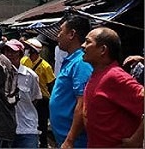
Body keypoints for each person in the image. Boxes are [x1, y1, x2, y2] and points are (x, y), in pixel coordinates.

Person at [81, 27, 144, 148]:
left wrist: (136, 139)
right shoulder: (97, 74)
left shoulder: (115, 76)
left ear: (103, 49)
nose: (83, 46)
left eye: (88, 42)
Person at [49, 16, 93, 149]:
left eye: (60, 32)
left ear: (72, 34)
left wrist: (70, 139)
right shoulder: (71, 60)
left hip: (76, 142)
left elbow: (83, 103)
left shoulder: (81, 62)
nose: (58, 36)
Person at [3, 39, 42, 148]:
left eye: (13, 52)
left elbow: (35, 99)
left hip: (27, 128)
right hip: (6, 128)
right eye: (7, 51)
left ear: (20, 54)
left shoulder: (30, 76)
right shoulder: (1, 74)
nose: (9, 55)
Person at [21, 37, 56, 148]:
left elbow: (51, 84)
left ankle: (43, 143)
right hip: (27, 96)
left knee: (42, 122)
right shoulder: (24, 61)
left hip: (42, 98)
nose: (27, 52)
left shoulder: (46, 66)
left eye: (29, 50)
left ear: (33, 51)